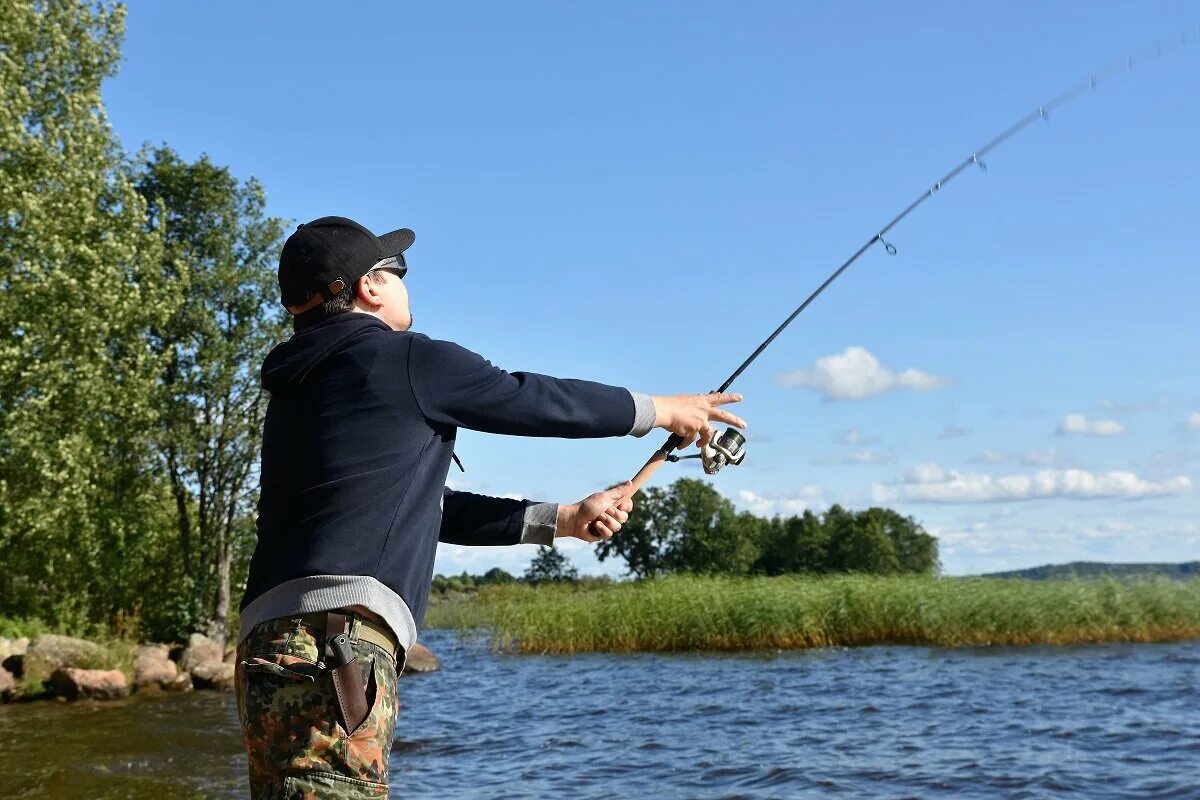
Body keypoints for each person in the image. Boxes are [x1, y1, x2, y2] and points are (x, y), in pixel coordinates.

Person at [233, 216, 746, 799]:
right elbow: (528, 399)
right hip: (336, 642)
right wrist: (661, 410)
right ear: (370, 286)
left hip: (265, 646)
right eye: (398, 270)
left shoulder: (297, 392)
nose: (406, 283)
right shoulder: (402, 359)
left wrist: (564, 520)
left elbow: (430, 509)